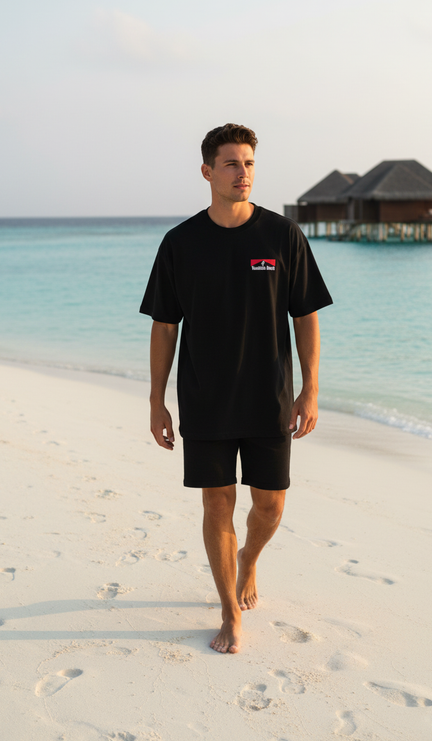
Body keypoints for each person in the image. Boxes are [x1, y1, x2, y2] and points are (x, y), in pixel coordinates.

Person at [140, 123, 332, 654]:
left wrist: (310, 389)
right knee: (217, 504)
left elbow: (306, 315)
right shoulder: (180, 243)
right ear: (207, 171)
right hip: (203, 399)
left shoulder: (282, 235)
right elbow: (164, 325)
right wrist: (156, 400)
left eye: (248, 163)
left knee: (270, 506)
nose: (242, 172)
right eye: (230, 163)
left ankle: (248, 559)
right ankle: (229, 611)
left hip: (269, 396)